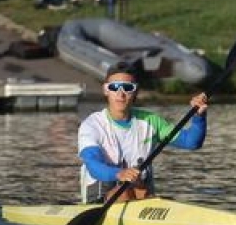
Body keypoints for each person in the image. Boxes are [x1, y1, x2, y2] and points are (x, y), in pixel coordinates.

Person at [78, 62, 208, 201]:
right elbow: (93, 165)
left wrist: (198, 117)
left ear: (136, 92)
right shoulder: (92, 125)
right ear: (106, 90)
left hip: (141, 195)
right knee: (126, 192)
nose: (121, 94)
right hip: (100, 199)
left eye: (127, 88)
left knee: (140, 190)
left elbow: (192, 142)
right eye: (114, 87)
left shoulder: (150, 121)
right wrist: (120, 174)